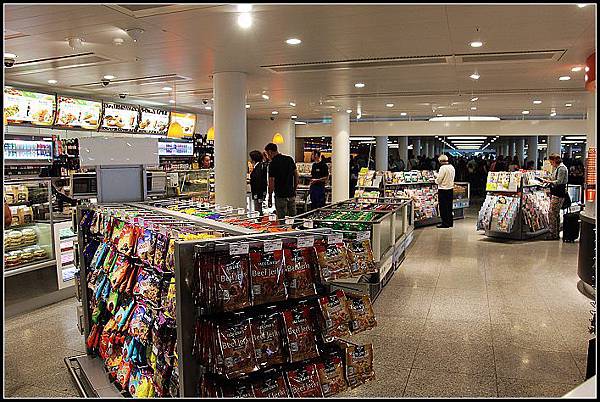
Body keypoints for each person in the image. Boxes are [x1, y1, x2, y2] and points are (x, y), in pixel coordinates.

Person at [265, 142, 299, 219]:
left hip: (280, 196)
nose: (267, 156)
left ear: (270, 152)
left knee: (282, 219)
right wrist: (294, 189)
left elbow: (271, 182)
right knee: (293, 218)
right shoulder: (289, 159)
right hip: (291, 195)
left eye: (267, 154)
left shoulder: (272, 164)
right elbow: (296, 176)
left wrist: (270, 197)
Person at [542, 153, 569, 240]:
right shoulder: (559, 168)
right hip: (558, 193)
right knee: (555, 213)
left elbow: (559, 181)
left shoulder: (561, 168)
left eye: (551, 162)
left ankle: (553, 233)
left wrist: (548, 181)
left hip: (558, 193)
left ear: (554, 160)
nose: (551, 164)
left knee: (552, 213)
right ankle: (555, 233)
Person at [435, 154, 456, 228]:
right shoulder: (452, 167)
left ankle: (445, 223)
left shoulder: (442, 168)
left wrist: (435, 180)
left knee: (443, 207)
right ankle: (450, 222)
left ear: (440, 161)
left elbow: (439, 179)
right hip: (450, 189)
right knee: (449, 207)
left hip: (443, 189)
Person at [249, 150, 268, 215]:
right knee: (258, 208)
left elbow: (258, 180)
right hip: (259, 192)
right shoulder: (261, 166)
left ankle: (259, 219)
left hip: (258, 192)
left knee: (258, 209)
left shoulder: (258, 167)